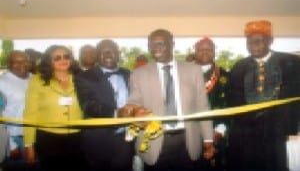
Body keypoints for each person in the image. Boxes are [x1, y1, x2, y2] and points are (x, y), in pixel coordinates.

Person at [119, 29, 215, 171]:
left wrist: (208, 139)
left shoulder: (193, 70)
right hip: (154, 142)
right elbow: (134, 101)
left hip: (188, 141)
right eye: (151, 44)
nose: (155, 48)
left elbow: (202, 106)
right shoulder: (139, 73)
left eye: (160, 44)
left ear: (172, 45)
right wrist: (133, 111)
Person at [227, 20, 300, 171]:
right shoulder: (239, 66)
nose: (253, 45)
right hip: (245, 132)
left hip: (279, 131)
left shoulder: (291, 62)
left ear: (270, 41)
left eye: (259, 41)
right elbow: (232, 100)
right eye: (249, 42)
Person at [75, 39, 134, 171]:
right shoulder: (84, 77)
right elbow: (88, 105)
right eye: (103, 52)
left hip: (125, 138)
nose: (108, 54)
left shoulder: (129, 74)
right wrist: (116, 113)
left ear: (118, 55)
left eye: (112, 51)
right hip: (98, 140)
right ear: (96, 55)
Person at [23, 45, 85, 171]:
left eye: (66, 56)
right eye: (57, 58)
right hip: (48, 139)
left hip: (77, 138)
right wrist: (29, 145)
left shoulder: (81, 78)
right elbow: (30, 113)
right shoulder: (37, 80)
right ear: (49, 61)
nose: (63, 60)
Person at [194, 37, 230, 170]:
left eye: (209, 49)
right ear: (195, 52)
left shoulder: (227, 76)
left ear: (215, 52)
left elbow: (230, 106)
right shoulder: (183, 75)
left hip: (218, 134)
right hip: (189, 135)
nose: (205, 52)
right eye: (201, 49)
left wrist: (218, 132)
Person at [0, 50, 31, 161]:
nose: (22, 64)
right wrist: (11, 145)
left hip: (35, 137)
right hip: (16, 139)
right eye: (16, 62)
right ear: (8, 64)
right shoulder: (2, 82)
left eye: (25, 61)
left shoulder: (34, 79)